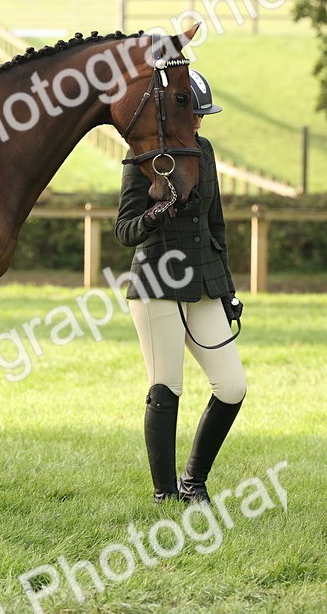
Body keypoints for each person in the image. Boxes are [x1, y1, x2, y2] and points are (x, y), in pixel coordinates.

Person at [114, 69, 246, 504]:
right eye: (195, 117)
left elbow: (216, 225)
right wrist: (156, 214)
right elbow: (125, 231)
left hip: (205, 280)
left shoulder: (204, 153)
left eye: (202, 118)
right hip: (155, 283)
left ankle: (194, 481)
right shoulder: (142, 156)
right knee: (166, 386)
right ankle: (165, 493)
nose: (199, 125)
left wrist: (227, 290)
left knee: (232, 388)